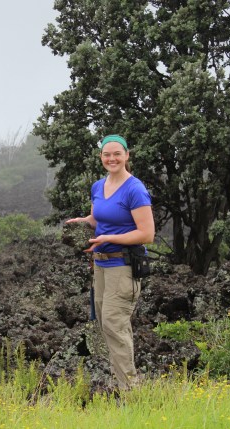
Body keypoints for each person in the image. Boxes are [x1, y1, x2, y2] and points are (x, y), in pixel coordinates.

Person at [66, 134, 154, 390]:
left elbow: (147, 233)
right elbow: (97, 219)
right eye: (107, 154)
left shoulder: (134, 189)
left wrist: (109, 237)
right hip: (101, 265)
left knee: (115, 325)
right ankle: (121, 384)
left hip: (123, 266)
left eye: (117, 154)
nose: (112, 158)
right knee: (106, 325)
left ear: (127, 156)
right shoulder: (98, 186)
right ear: (101, 157)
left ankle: (131, 392)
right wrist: (82, 223)